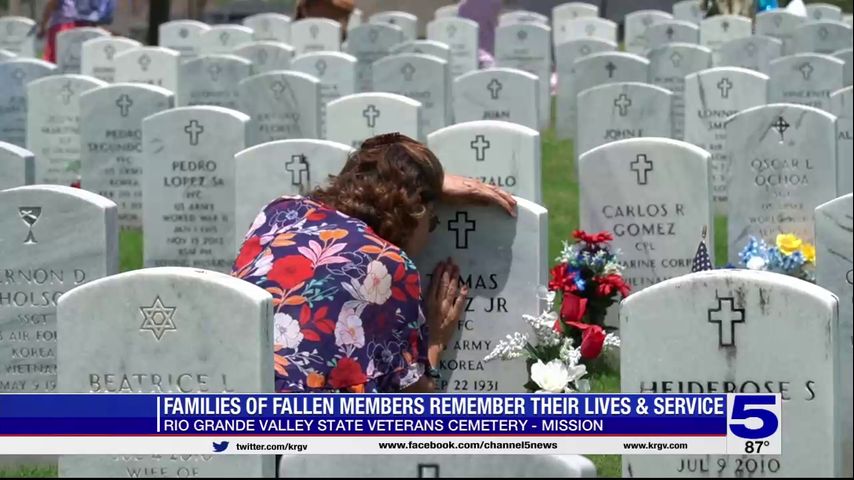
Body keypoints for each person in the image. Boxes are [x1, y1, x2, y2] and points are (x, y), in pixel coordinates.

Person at [232, 133, 515, 393]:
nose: (431, 231)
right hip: (299, 433)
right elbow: (409, 406)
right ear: (416, 210)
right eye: (434, 220)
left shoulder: (281, 211)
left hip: (229, 393)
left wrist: (426, 183)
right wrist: (436, 341)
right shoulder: (388, 265)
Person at [37, 0, 115, 63]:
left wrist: (43, 24)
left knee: (56, 61)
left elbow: (52, 3)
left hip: (63, 25)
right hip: (85, 25)